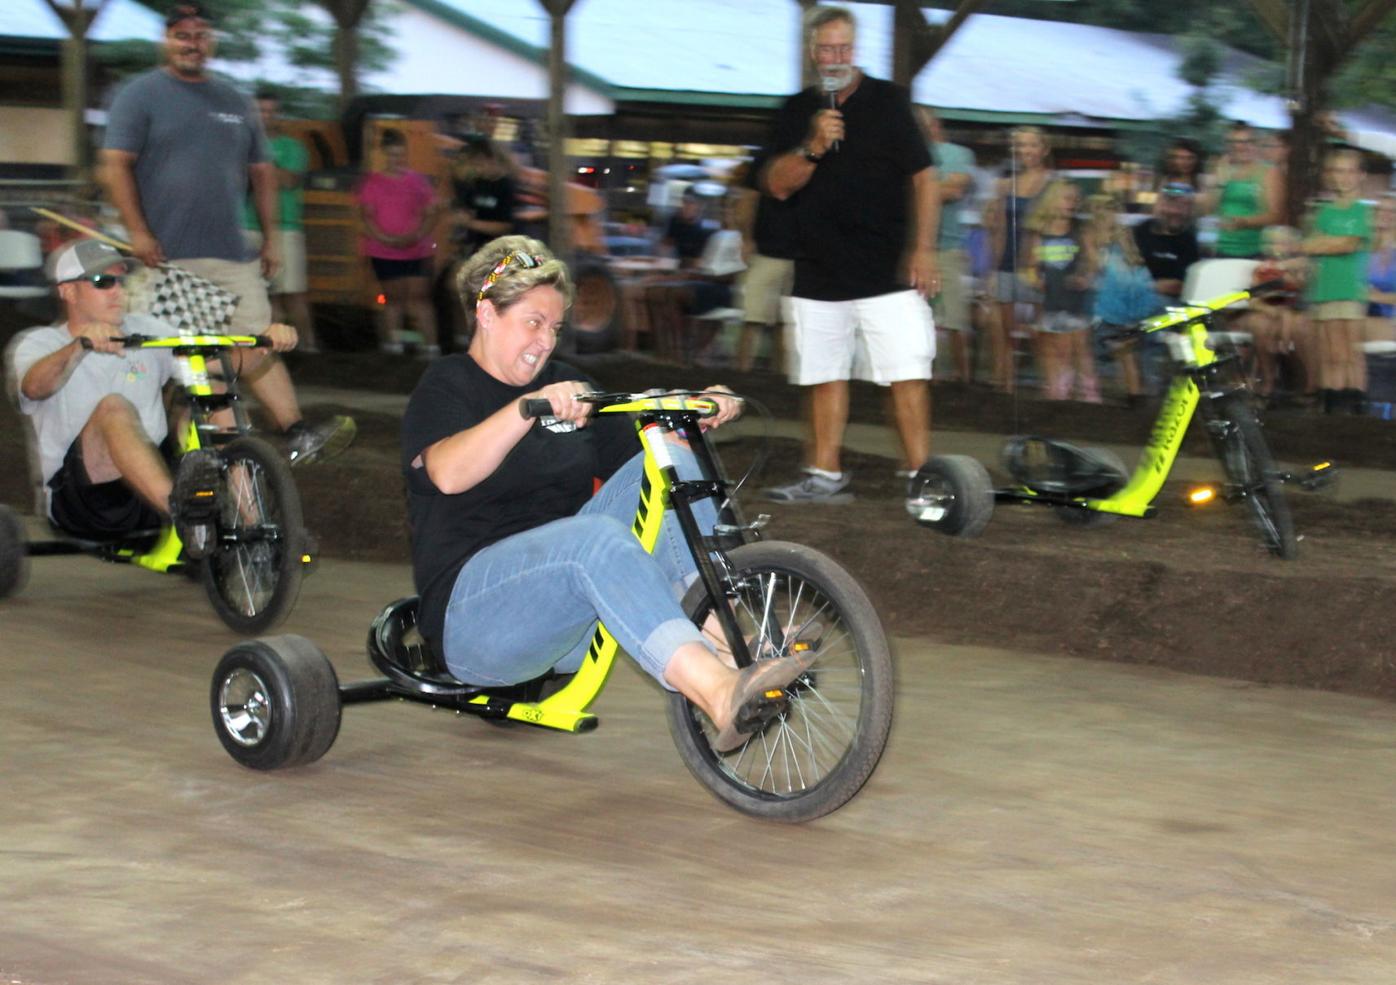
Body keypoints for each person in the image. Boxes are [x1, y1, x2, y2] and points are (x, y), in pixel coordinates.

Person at [400, 235, 812, 752]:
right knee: (593, 539)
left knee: (671, 461)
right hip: (478, 624)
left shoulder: (567, 383)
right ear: (486, 313)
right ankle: (718, 692)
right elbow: (448, 474)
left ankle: (729, 641)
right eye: (533, 322)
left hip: (566, 621)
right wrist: (525, 409)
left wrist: (692, 412)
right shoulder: (448, 384)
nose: (546, 341)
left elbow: (647, 467)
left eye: (554, 327)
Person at [99, 1, 353, 467]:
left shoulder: (236, 102)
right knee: (200, 354)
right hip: (170, 255)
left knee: (258, 341)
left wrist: (272, 237)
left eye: (199, 34)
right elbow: (116, 164)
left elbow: (262, 172)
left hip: (234, 253)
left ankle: (295, 430)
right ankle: (200, 446)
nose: (191, 42)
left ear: (211, 42)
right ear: (167, 40)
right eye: (181, 34)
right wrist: (137, 230)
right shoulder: (141, 95)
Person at [759, 4, 939, 503]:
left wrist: (924, 249)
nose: (835, 57)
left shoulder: (889, 102)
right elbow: (775, 185)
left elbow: (926, 178)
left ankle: (923, 478)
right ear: (812, 51)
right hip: (817, 266)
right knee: (822, 374)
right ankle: (824, 474)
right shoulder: (796, 110)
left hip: (889, 268)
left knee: (906, 373)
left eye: (843, 47)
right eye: (826, 48)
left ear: (855, 49)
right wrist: (814, 146)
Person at [10, 239, 297, 551]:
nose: (117, 290)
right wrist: (79, 345)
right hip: (85, 502)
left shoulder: (147, 328)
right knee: (114, 407)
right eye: (102, 282)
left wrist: (264, 345)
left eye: (120, 280)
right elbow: (34, 387)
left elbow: (220, 364)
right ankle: (185, 516)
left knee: (212, 388)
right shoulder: (40, 342)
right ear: (68, 291)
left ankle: (257, 529)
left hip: (150, 489)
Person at [358, 127, 444, 357]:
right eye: (392, 154)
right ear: (384, 154)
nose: (396, 159)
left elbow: (432, 212)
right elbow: (367, 217)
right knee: (393, 298)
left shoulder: (417, 181)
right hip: (384, 251)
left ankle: (431, 347)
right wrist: (385, 239)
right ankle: (394, 346)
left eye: (401, 154)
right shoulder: (373, 182)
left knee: (420, 298)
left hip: (417, 249)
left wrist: (416, 235)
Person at [983, 126, 1055, 393]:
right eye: (1020, 145)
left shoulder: (1055, 183)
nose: (1025, 151)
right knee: (1003, 328)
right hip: (1007, 261)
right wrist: (991, 270)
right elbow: (998, 227)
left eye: (1031, 145)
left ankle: (1052, 385)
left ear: (1044, 149)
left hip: (1041, 266)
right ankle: (1005, 383)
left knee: (1043, 331)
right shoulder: (1005, 184)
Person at [242, 89, 315, 351]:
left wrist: (256, 169)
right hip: (247, 226)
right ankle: (271, 348)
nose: (265, 117)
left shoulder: (293, 147)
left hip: (285, 226)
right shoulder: (240, 146)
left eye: (271, 112)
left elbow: (289, 179)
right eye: (260, 111)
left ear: (278, 115)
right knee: (258, 293)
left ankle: (308, 347)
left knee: (293, 292)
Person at [1303, 148, 1372, 415]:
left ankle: (1357, 405)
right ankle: (1331, 406)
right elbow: (1309, 245)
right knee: (1330, 353)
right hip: (1325, 288)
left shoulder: (1363, 211)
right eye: (1337, 171)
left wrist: (1321, 244)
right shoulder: (1325, 212)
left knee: (1350, 352)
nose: (1343, 177)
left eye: (1349, 171)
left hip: (1351, 289)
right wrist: (1318, 245)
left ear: (1361, 175)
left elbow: (1348, 243)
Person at [1024, 182, 1098, 402]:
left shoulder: (1079, 231)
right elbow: (1031, 265)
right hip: (1052, 299)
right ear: (1053, 201)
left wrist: (1085, 277)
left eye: (1074, 200)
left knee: (1079, 346)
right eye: (1066, 199)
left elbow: (1092, 261)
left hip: (1075, 300)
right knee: (1054, 346)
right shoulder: (1041, 234)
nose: (1071, 204)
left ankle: (1089, 389)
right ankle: (1059, 387)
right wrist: (1035, 279)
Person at [918, 105, 976, 384]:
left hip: (949, 245)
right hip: (917, 248)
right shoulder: (911, 154)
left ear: (934, 125)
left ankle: (963, 377)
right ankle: (928, 373)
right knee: (921, 315)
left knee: (955, 317)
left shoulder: (958, 154)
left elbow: (955, 190)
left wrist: (919, 192)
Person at [1090, 194, 1163, 405]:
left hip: (1114, 310)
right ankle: (1132, 393)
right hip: (1125, 309)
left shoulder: (1108, 251)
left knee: (1123, 352)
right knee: (1127, 353)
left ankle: (1130, 393)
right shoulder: (1123, 248)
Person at [1205, 122, 1282, 259]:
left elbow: (1275, 216)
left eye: (1247, 142)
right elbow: (1208, 210)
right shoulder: (1221, 168)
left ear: (1255, 144)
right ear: (1228, 145)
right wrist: (1220, 183)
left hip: (1254, 250)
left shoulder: (1268, 172)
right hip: (1220, 248)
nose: (1240, 147)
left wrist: (1242, 222)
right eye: (1234, 142)